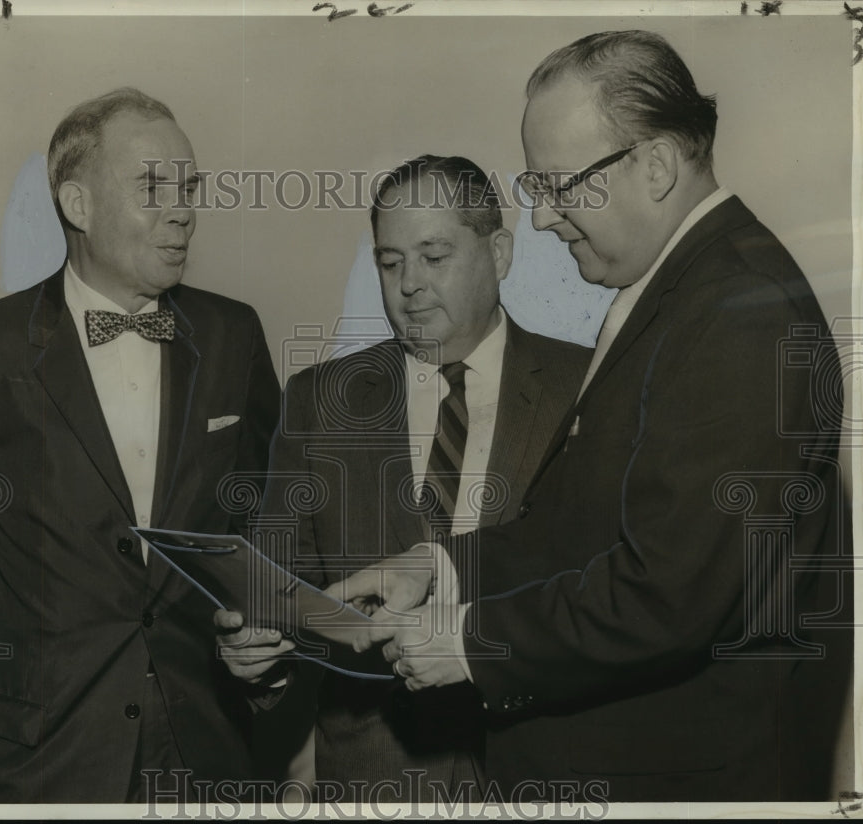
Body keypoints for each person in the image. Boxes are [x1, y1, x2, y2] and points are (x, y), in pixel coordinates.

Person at [339, 31, 852, 802]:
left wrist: (468, 642)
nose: (543, 219)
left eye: (559, 187)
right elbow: (588, 523)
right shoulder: (683, 292)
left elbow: (669, 595)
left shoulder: (742, 312)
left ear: (655, 166)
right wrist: (441, 566)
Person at [0, 87, 280, 802]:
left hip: (207, 745)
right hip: (35, 763)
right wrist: (4, 694)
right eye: (153, 186)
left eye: (189, 186)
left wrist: (258, 634)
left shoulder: (233, 336)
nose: (183, 208)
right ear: (78, 204)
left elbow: (264, 512)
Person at [216, 156, 590, 801]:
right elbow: (283, 587)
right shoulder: (318, 400)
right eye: (391, 264)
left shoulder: (586, 389)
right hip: (377, 780)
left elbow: (622, 591)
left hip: (548, 772)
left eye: (434, 257)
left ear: (499, 253)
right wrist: (259, 663)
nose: (409, 285)